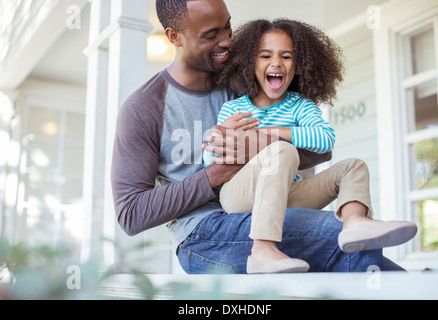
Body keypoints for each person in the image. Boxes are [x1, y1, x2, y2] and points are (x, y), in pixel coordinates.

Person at [111, 0, 406, 274]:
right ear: (174, 36)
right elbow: (131, 215)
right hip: (201, 233)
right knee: (338, 235)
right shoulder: (145, 108)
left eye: (227, 27)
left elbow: (320, 150)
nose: (227, 41)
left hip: (273, 203)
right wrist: (215, 174)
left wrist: (261, 143)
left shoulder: (245, 82)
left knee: (350, 235)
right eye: (212, 34)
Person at [202, 19, 417, 273]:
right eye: (265, 55)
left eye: (287, 56)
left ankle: (355, 222)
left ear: (299, 65)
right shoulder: (234, 108)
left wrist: (267, 133)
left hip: (286, 193)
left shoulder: (300, 106)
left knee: (353, 166)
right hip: (240, 194)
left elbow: (325, 138)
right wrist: (220, 136)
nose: (276, 63)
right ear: (251, 63)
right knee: (282, 149)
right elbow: (209, 162)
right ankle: (261, 250)